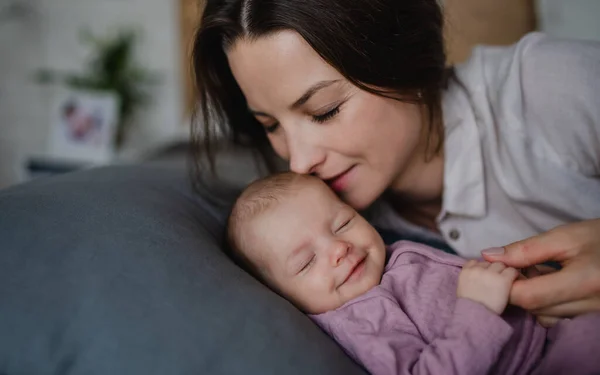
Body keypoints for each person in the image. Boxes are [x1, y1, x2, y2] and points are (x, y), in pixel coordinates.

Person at [191, 0, 600, 322]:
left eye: (325, 110)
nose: (299, 162)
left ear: (401, 56)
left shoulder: (547, 85)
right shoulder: (332, 237)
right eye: (269, 124)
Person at [226, 172, 600, 375]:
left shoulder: (388, 257)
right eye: (306, 262)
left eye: (343, 223)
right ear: (281, 297)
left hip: (550, 333)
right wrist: (478, 311)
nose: (339, 248)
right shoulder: (361, 320)